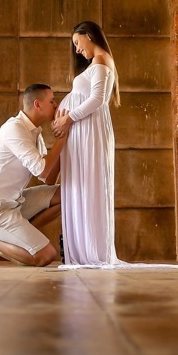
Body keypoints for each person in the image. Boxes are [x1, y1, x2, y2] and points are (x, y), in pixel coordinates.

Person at [0, 83, 68, 267]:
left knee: (66, 195)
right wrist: (62, 139)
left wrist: (65, 143)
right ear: (37, 104)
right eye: (52, 101)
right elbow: (42, 169)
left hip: (13, 204)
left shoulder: (36, 133)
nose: (57, 106)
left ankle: (22, 239)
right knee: (45, 256)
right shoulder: (14, 129)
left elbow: (48, 178)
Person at [52, 21, 120, 266]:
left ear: (89, 36)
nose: (77, 50)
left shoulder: (101, 62)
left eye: (77, 43)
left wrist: (68, 118)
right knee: (81, 186)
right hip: (83, 131)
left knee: (89, 185)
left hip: (89, 131)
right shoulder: (96, 63)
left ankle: (92, 250)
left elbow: (97, 100)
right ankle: (83, 249)